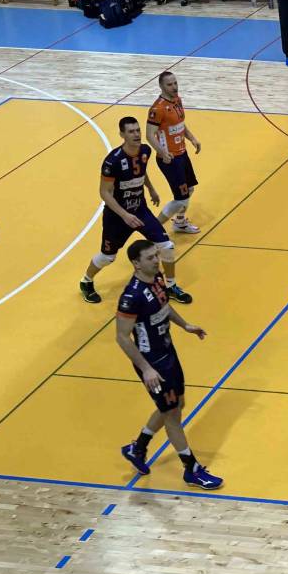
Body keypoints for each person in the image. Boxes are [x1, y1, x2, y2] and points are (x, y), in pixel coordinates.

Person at [115, 240, 221, 490]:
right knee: (172, 414)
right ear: (136, 263)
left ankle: (137, 447)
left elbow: (165, 306)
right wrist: (146, 369)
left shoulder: (157, 278)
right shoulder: (131, 297)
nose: (156, 260)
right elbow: (122, 337)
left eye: (156, 255)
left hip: (167, 352)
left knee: (176, 405)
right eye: (150, 258)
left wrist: (185, 325)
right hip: (152, 362)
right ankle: (191, 469)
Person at [80, 117, 192, 305]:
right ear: (122, 135)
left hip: (140, 209)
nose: (137, 134)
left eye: (138, 130)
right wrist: (125, 215)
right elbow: (104, 192)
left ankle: (170, 286)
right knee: (108, 257)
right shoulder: (113, 161)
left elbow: (140, 171)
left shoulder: (145, 150)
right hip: (117, 216)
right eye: (131, 131)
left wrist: (151, 188)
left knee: (167, 246)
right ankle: (86, 281)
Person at [147, 72, 202, 236]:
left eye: (175, 83)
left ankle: (179, 222)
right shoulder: (157, 109)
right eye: (169, 84)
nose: (174, 87)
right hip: (169, 159)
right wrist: (162, 152)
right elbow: (149, 135)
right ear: (161, 86)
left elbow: (180, 124)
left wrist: (192, 138)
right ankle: (153, 230)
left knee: (189, 189)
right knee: (181, 199)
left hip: (182, 154)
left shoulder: (177, 100)